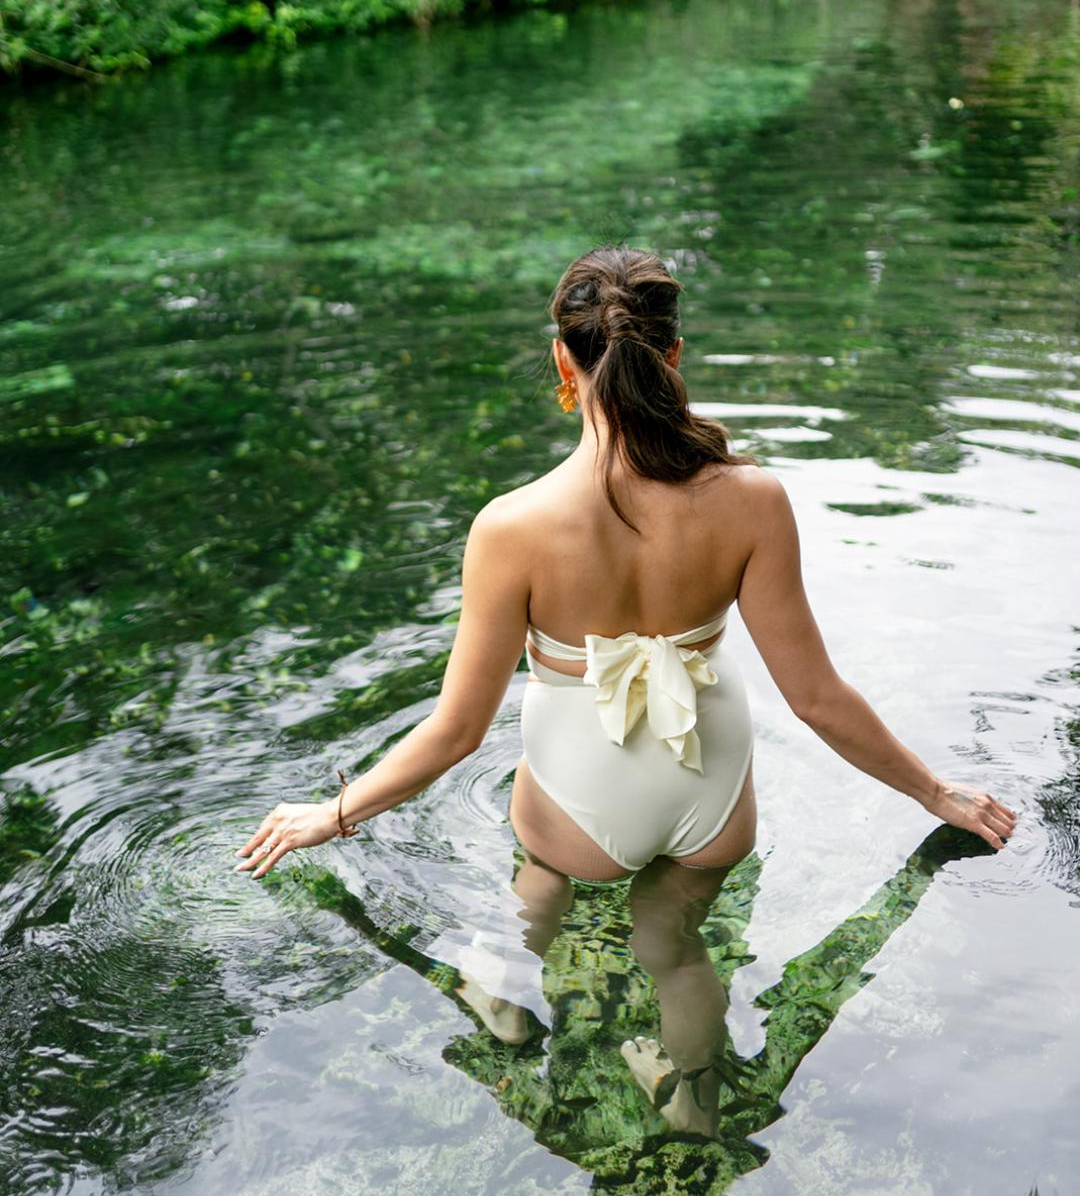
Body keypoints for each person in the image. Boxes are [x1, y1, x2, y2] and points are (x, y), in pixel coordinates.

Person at [232, 244, 1017, 1128]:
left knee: (538, 881)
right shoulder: (754, 499)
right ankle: (694, 1100)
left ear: (564, 362)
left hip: (581, 797)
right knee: (676, 949)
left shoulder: (512, 526)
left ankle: (504, 993)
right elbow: (817, 697)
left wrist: (328, 816)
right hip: (711, 786)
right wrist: (935, 791)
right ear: (672, 357)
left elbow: (454, 734)